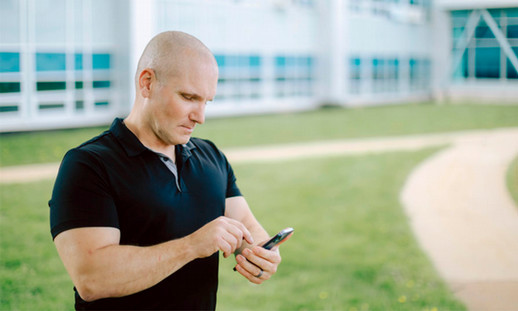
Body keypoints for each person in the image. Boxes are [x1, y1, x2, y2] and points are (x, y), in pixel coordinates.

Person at [49, 31, 289, 310]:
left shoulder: (211, 156)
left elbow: (246, 226)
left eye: (206, 102)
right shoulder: (89, 165)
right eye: (189, 97)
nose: (200, 117)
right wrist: (191, 246)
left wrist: (261, 254)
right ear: (147, 83)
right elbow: (92, 279)